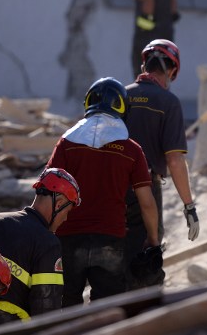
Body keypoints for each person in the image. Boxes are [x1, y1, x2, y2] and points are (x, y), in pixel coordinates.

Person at [47, 77, 160, 306]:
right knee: (105, 311)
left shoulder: (67, 142)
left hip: (68, 238)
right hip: (111, 239)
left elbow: (48, 189)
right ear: (122, 108)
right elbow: (147, 202)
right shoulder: (132, 150)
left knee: (66, 306)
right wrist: (154, 239)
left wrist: (44, 233)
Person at [0, 167, 81, 327]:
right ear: (59, 203)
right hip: (10, 328)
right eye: (67, 211)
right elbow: (46, 308)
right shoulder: (48, 243)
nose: (66, 218)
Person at [124, 38, 199, 290]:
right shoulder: (168, 102)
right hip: (146, 190)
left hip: (110, 188)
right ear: (173, 70)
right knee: (147, 257)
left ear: (145, 64)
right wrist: (189, 206)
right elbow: (175, 160)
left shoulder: (121, 95)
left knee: (114, 254)